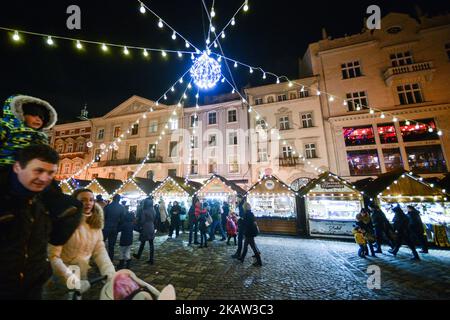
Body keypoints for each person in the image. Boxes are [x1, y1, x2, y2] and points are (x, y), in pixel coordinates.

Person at [0, 145, 82, 299]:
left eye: (50, 172)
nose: (44, 178)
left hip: (33, 288)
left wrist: (70, 214)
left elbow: (56, 239)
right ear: (17, 167)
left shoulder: (47, 202)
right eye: (38, 171)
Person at [48, 188, 116, 295]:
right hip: (61, 275)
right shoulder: (64, 223)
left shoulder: (95, 224)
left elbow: (99, 250)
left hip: (82, 275)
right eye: (83, 200)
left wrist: (109, 271)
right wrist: (72, 280)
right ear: (74, 201)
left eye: (91, 200)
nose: (88, 203)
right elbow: (52, 256)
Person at [0, 95, 57, 167]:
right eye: (33, 115)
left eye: (41, 117)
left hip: (30, 171)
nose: (38, 119)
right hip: (6, 167)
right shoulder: (7, 126)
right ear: (20, 114)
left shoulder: (41, 136)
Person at [133, 197, 157, 265]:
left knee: (143, 242)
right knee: (151, 244)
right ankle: (151, 259)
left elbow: (142, 221)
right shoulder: (153, 210)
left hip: (146, 227)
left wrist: (138, 224)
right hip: (151, 226)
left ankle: (139, 255)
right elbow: (155, 219)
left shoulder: (144, 211)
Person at [238, 202, 262, 267]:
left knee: (253, 247)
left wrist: (240, 220)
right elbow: (253, 222)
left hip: (249, 232)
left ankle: (259, 261)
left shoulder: (246, 214)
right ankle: (242, 258)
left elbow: (246, 224)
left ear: (244, 207)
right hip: (250, 232)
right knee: (245, 245)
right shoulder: (251, 213)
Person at [103, 194, 125, 261]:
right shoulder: (121, 208)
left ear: (113, 199)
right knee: (111, 245)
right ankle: (110, 259)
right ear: (119, 199)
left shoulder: (107, 207)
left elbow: (103, 217)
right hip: (114, 228)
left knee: (101, 244)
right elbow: (122, 220)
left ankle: (102, 258)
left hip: (106, 227)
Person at [118, 201, 135, 270]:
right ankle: (128, 264)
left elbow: (119, 229)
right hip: (129, 240)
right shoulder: (131, 224)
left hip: (123, 240)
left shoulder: (124, 224)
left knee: (122, 251)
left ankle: (121, 264)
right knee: (128, 251)